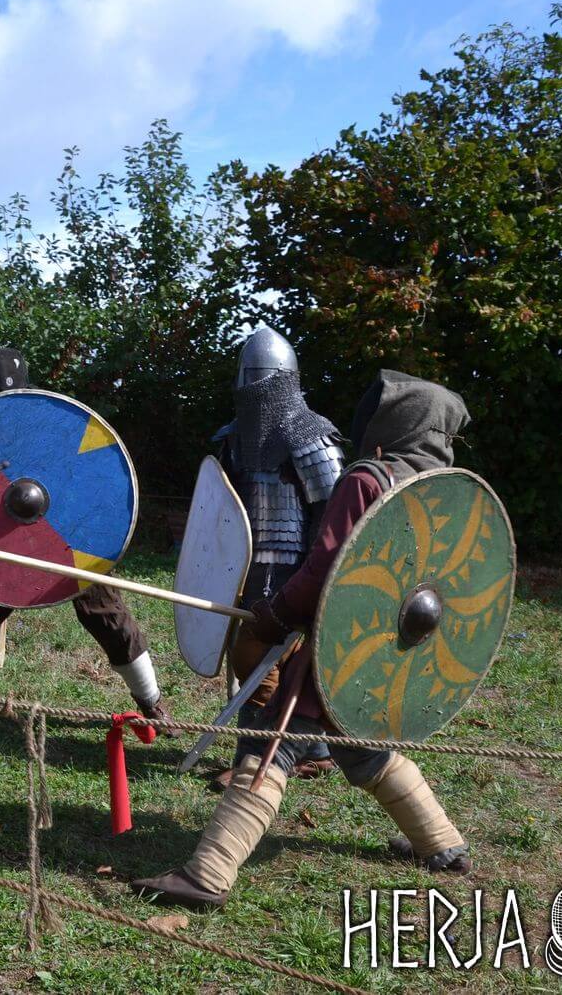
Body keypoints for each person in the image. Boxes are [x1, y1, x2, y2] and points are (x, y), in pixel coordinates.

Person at [132, 371, 475, 910]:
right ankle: (443, 844)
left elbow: (323, 573)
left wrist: (273, 616)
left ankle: (207, 876)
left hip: (344, 647)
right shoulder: (447, 492)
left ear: (395, 422)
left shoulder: (370, 480)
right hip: (397, 655)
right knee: (363, 748)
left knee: (274, 742)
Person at [0, 348, 172, 729]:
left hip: (68, 534)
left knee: (106, 613)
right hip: (5, 536)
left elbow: (81, 475)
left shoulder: (44, 426)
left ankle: (152, 704)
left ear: (4, 384)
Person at [210, 326, 347, 785]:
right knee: (270, 656)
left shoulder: (309, 436)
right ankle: (316, 749)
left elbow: (333, 513)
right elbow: (223, 504)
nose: (251, 387)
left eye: (259, 377)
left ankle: (251, 760)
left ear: (282, 380)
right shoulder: (234, 437)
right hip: (248, 563)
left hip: (296, 564)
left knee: (259, 656)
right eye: (246, 377)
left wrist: (315, 575)